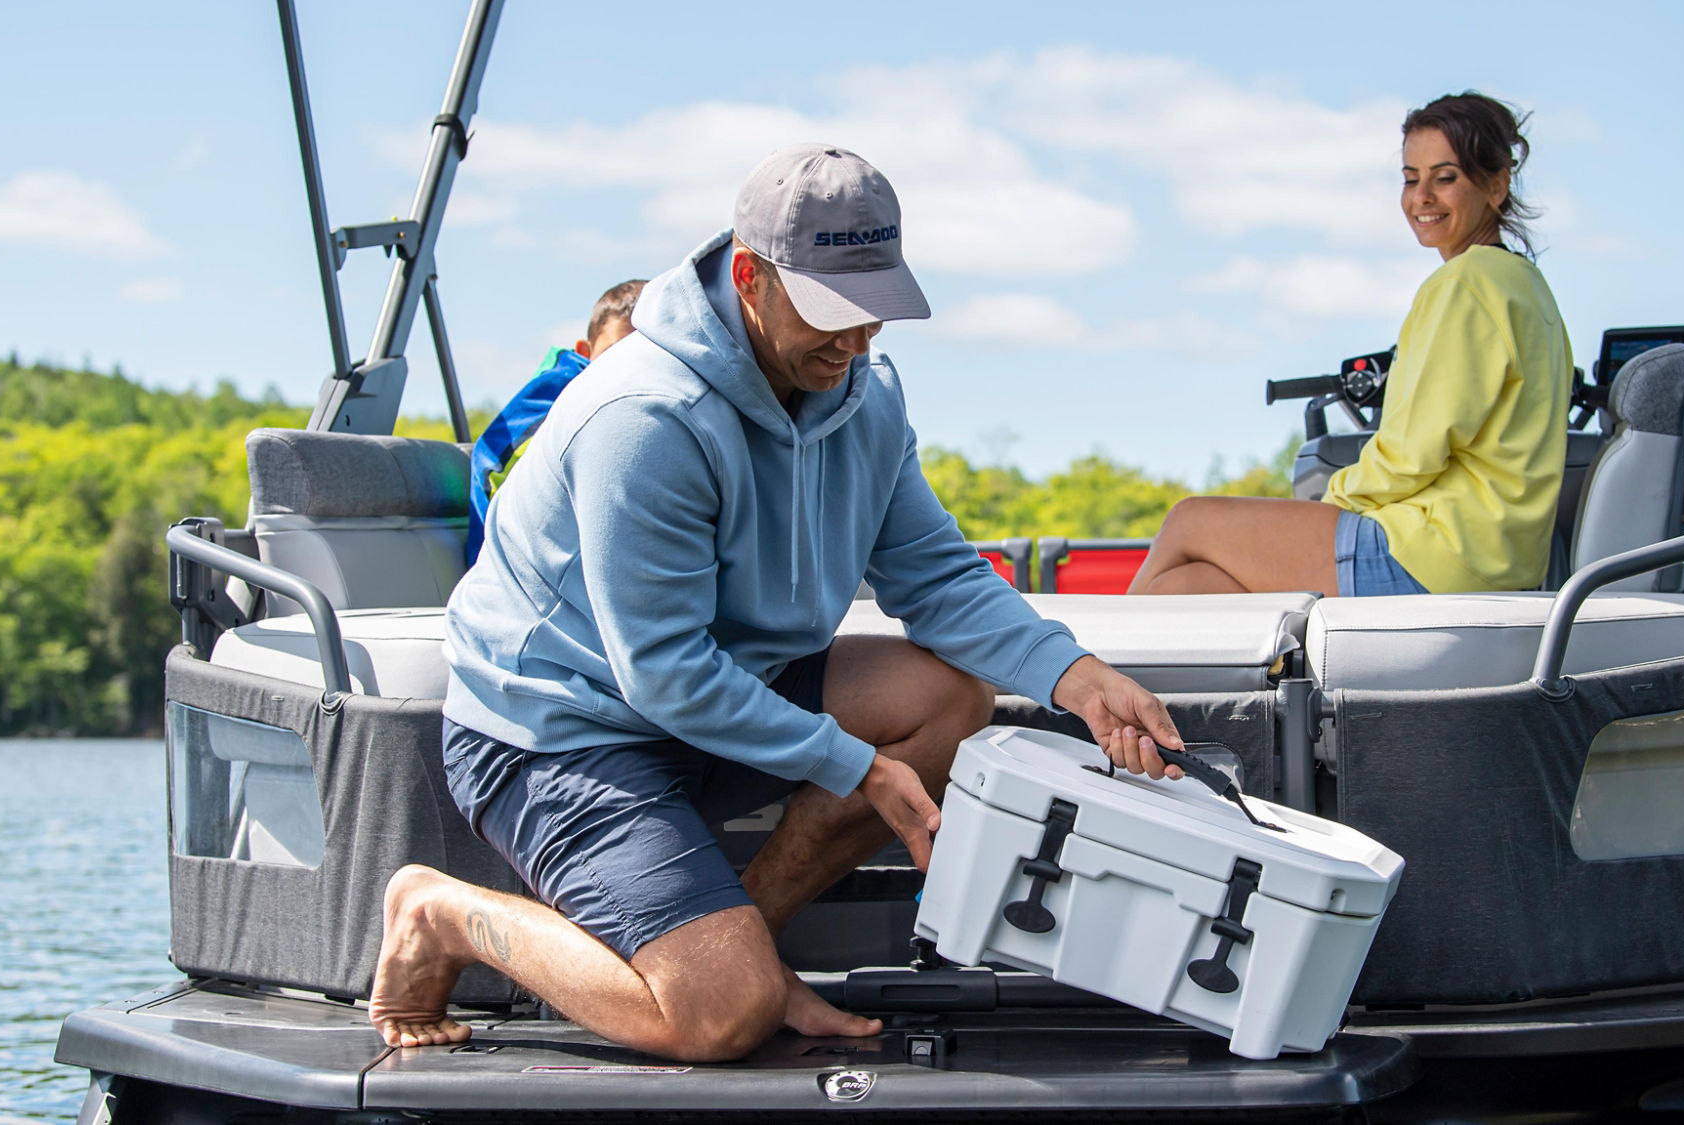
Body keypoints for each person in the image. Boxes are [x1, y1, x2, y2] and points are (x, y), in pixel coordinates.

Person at [369, 144, 1185, 1060]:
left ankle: (739, 937)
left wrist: (1074, 674)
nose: (855, 342)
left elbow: (937, 574)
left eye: (874, 312)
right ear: (750, 276)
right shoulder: (647, 416)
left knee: (948, 699)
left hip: (716, 695)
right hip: (560, 726)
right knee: (719, 1018)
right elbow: (667, 674)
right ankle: (444, 915)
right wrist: (852, 764)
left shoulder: (863, 397)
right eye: (830, 313)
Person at [1127, 92, 1572, 597]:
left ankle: (1087, 670)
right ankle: (1118, 671)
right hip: (1498, 558)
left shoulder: (1467, 283)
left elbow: (1412, 454)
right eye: (1410, 178)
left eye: (1444, 178)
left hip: (1438, 553)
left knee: (1190, 521)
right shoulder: (1527, 286)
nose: (1421, 196)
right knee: (1190, 585)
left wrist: (1327, 504)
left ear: (1496, 184)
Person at [465, 279, 647, 565]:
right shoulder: (555, 393)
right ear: (584, 352)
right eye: (612, 353)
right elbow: (489, 467)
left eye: (642, 355)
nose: (624, 368)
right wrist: (483, 571)